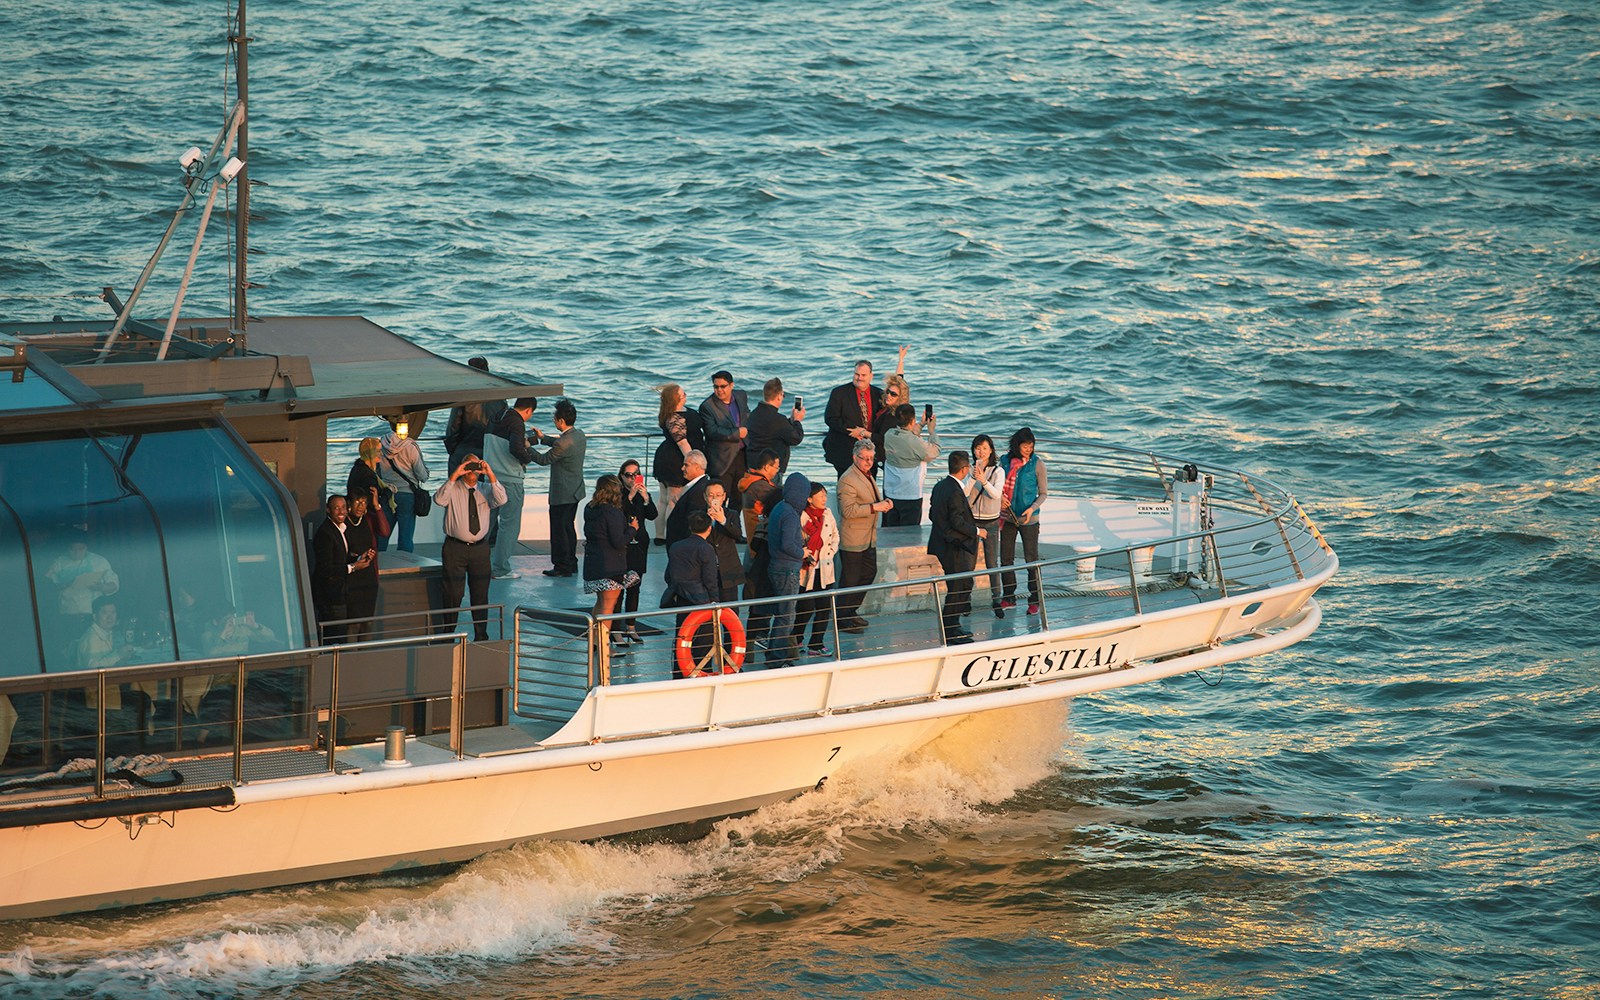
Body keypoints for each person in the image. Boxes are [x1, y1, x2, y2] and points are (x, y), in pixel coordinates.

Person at [433, 454, 506, 641]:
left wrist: (490, 474)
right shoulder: (453, 488)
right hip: (454, 548)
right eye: (468, 466)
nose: (472, 470)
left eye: (475, 466)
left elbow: (502, 499)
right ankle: (448, 635)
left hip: (479, 549)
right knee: (452, 594)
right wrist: (455, 475)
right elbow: (439, 500)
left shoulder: (486, 489)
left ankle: (481, 635)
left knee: (480, 594)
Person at [834, 439, 893, 632]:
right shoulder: (847, 479)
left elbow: (868, 499)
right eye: (864, 458)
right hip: (853, 538)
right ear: (854, 457)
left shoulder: (866, 474)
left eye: (871, 458)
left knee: (868, 573)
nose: (869, 462)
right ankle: (841, 618)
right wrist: (875, 507)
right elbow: (848, 511)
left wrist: (882, 502)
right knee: (850, 580)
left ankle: (850, 611)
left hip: (868, 537)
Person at [582, 474, 640, 663]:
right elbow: (618, 541)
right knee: (608, 608)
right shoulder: (612, 513)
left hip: (594, 563)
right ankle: (605, 646)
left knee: (599, 605)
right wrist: (632, 529)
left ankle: (594, 642)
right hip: (611, 566)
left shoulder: (590, 509)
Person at [822, 346, 905, 474]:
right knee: (846, 489)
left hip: (871, 453)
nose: (859, 378)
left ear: (871, 376)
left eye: (863, 375)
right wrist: (852, 431)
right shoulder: (839, 393)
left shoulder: (879, 394)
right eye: (857, 374)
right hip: (845, 450)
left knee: (870, 487)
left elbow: (898, 390)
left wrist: (901, 361)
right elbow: (830, 418)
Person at [529, 398, 587, 578]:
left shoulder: (563, 442)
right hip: (575, 489)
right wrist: (543, 438)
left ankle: (562, 566)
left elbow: (543, 460)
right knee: (568, 528)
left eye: (555, 419)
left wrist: (527, 447)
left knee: (559, 530)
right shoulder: (579, 435)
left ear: (561, 421)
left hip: (562, 493)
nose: (554, 421)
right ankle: (571, 562)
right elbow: (561, 445)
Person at [928, 451, 982, 644]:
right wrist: (977, 531)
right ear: (964, 469)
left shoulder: (940, 486)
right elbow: (957, 522)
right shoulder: (954, 491)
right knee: (959, 586)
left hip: (942, 544)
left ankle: (953, 625)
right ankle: (949, 630)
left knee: (958, 585)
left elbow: (933, 514)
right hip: (953, 546)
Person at [485, 397, 538, 579]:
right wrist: (527, 458)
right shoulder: (517, 422)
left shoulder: (496, 416)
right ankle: (501, 569)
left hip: (490, 477)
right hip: (509, 479)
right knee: (509, 525)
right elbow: (516, 448)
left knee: (487, 524)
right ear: (529, 410)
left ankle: (478, 564)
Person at [998, 427, 1049, 616]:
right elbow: (996, 486)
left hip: (1030, 519)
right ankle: (1008, 597)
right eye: (1025, 446)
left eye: (1031, 446)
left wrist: (1032, 508)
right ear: (1016, 445)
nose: (1028, 449)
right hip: (1007, 516)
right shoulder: (1003, 462)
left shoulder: (1037, 464)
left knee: (1031, 560)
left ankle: (1034, 600)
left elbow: (1043, 493)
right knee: (1006, 559)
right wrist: (999, 499)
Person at [663, 511, 720, 676]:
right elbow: (710, 579)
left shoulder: (676, 546)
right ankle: (702, 672)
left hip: (682, 599)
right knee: (703, 641)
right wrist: (715, 600)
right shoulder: (706, 549)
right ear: (709, 528)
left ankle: (679, 673)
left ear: (690, 527)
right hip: (702, 602)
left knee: (683, 638)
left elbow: (669, 575)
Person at [764, 473, 812, 667]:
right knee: (787, 616)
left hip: (776, 567)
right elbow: (787, 544)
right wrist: (802, 552)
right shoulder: (791, 514)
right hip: (787, 570)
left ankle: (774, 654)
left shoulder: (779, 507)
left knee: (782, 614)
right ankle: (776, 659)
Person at [311, 495, 372, 644]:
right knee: (335, 637)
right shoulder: (325, 533)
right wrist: (353, 567)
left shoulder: (340, 529)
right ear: (328, 510)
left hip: (339, 593)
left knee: (339, 635)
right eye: (336, 508)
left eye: (343, 507)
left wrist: (358, 559)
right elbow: (325, 569)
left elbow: (340, 559)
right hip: (330, 595)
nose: (341, 511)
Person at [737, 449, 782, 647]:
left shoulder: (749, 483)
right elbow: (780, 501)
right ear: (766, 467)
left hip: (753, 544)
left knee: (757, 589)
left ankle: (757, 632)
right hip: (761, 545)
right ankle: (759, 633)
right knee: (763, 591)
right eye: (776, 467)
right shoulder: (762, 488)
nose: (777, 471)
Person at [651, 383, 706, 544]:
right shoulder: (674, 416)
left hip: (666, 457)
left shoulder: (673, 413)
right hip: (676, 460)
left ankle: (660, 535)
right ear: (676, 399)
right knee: (673, 499)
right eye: (682, 394)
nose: (685, 396)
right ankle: (670, 536)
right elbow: (682, 442)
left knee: (664, 499)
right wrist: (693, 460)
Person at [791, 481, 840, 658]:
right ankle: (796, 639)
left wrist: (831, 551)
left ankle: (816, 643)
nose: (824, 498)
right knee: (805, 607)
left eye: (825, 495)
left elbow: (835, 534)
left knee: (823, 606)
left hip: (825, 566)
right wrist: (808, 555)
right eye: (820, 495)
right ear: (809, 499)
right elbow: (797, 540)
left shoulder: (827, 514)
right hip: (808, 567)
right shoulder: (801, 517)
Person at [442, 357, 508, 473]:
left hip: (465, 448)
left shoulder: (465, 395)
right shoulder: (500, 398)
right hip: (489, 452)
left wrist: (453, 449)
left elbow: (454, 426)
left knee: (458, 486)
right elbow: (504, 427)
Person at [617, 459, 659, 644]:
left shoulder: (643, 493)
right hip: (623, 544)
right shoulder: (618, 495)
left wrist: (646, 498)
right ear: (622, 477)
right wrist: (630, 497)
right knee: (618, 588)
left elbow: (653, 515)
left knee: (635, 587)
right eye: (629, 475)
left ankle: (631, 626)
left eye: (636, 474)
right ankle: (615, 629)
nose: (633, 478)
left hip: (639, 544)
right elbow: (619, 513)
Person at [46, 532, 119, 633]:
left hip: (93, 617)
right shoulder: (59, 563)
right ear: (68, 548)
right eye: (73, 549)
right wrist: (63, 585)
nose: (77, 553)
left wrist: (101, 587)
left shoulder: (99, 561)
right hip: (67, 617)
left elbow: (114, 585)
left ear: (86, 547)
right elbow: (46, 588)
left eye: (81, 549)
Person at [966, 433, 1006, 619]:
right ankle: (965, 602)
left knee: (992, 563)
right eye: (977, 448)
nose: (980, 451)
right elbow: (965, 492)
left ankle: (996, 601)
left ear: (991, 450)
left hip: (990, 522)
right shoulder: (971, 470)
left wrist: (983, 479)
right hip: (972, 521)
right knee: (969, 564)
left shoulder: (998, 471)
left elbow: (996, 495)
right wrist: (974, 477)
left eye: (984, 448)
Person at [699, 370, 750, 511]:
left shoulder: (741, 396)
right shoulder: (707, 406)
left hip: (742, 455)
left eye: (723, 386)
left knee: (739, 498)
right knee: (718, 500)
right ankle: (716, 530)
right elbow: (712, 431)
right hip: (722, 459)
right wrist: (737, 433)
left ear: (731, 385)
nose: (719, 390)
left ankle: (733, 529)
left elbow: (746, 415)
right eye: (716, 387)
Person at [882, 404, 941, 526]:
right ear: (912, 420)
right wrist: (931, 431)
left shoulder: (889, 435)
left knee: (891, 531)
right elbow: (934, 452)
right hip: (910, 494)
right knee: (909, 536)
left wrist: (920, 425)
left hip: (890, 492)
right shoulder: (914, 443)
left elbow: (907, 436)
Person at [378, 419, 431, 554]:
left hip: (387, 494)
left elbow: (377, 470)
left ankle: (378, 563)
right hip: (407, 495)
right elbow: (422, 475)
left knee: (383, 533)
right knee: (405, 536)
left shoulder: (381, 444)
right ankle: (405, 564)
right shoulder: (410, 446)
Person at [745, 378, 805, 477]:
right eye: (783, 395)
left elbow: (772, 429)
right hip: (771, 469)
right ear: (778, 396)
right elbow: (796, 438)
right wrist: (797, 421)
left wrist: (790, 421)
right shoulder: (778, 420)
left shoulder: (754, 414)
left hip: (753, 465)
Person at [343, 493, 380, 642]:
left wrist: (376, 504)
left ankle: (363, 655)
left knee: (367, 621)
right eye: (357, 502)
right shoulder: (344, 523)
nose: (361, 506)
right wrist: (356, 557)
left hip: (368, 575)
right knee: (353, 622)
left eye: (364, 502)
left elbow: (384, 530)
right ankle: (349, 656)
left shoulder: (367, 520)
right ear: (349, 504)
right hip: (352, 575)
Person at [347, 437, 395, 551]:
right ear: (371, 453)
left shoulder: (357, 468)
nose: (380, 454)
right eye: (378, 451)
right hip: (368, 516)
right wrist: (388, 492)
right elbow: (371, 496)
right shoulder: (367, 475)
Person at [703, 480, 746, 604]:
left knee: (730, 610)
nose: (714, 498)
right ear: (705, 497)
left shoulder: (732, 514)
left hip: (728, 568)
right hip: (707, 568)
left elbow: (737, 535)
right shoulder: (698, 515)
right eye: (711, 495)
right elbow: (695, 537)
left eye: (718, 495)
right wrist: (707, 521)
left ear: (724, 497)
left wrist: (723, 521)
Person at [663, 449, 711, 548]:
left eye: (686, 465)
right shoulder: (697, 487)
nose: (682, 468)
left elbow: (694, 523)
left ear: (697, 467)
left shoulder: (699, 491)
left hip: (685, 548)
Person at [872, 373, 910, 474]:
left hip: (887, 458)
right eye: (888, 392)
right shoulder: (887, 410)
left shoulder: (893, 415)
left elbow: (883, 438)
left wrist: (863, 433)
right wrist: (901, 359)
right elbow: (899, 377)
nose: (889, 395)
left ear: (900, 398)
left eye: (893, 394)